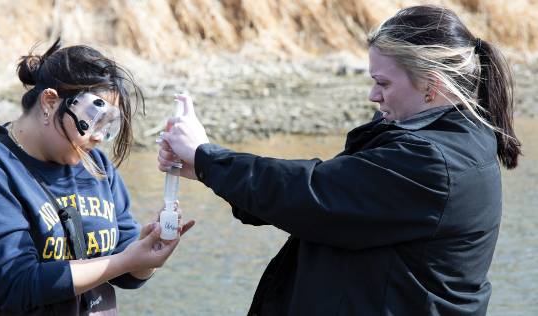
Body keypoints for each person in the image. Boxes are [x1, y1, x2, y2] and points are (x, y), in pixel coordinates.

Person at [158, 5, 521, 316]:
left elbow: (312, 193)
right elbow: (327, 193)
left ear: (432, 85)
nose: (373, 95)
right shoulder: (447, 140)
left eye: (383, 83)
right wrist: (206, 169)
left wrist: (207, 156)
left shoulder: (431, 161)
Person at [0, 39, 194, 315]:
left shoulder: (96, 166)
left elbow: (126, 274)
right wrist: (125, 261)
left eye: (109, 125)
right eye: (94, 118)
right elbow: (15, 284)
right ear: (50, 102)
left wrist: (148, 251)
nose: (99, 136)